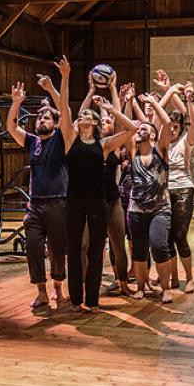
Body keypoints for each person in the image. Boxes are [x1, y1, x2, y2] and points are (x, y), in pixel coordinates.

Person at [59, 56, 137, 313]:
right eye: (80, 115)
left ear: (93, 122)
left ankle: (92, 301)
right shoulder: (70, 139)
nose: (82, 117)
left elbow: (130, 130)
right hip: (74, 202)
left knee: (95, 251)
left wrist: (112, 108)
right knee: (74, 250)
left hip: (97, 201)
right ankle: (75, 300)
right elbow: (63, 108)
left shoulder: (103, 145)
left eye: (87, 116)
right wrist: (66, 77)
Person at [6, 75, 68, 314]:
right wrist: (16, 103)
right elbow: (12, 126)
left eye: (46, 117)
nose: (41, 119)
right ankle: (41, 292)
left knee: (57, 249)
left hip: (58, 203)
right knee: (33, 245)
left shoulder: (61, 138)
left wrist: (51, 88)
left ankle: (58, 287)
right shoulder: (32, 141)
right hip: (35, 205)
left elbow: (64, 111)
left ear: (54, 122)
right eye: (39, 117)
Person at [81, 75, 133, 296]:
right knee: (85, 247)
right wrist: (91, 92)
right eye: (101, 121)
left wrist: (112, 97)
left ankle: (122, 283)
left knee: (119, 247)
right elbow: (79, 117)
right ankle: (84, 286)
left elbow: (124, 124)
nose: (104, 123)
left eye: (107, 121)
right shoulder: (85, 142)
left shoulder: (113, 146)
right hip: (89, 202)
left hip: (112, 201)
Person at [127, 93, 174, 303]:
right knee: (138, 250)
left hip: (160, 210)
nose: (139, 130)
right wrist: (127, 101)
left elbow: (166, 122)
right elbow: (126, 125)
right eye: (138, 129)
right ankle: (140, 287)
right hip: (136, 210)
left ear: (153, 136)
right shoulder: (133, 153)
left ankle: (165, 288)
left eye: (144, 129)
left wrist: (154, 102)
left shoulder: (160, 151)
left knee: (158, 245)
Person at [164, 83, 194, 293]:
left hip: (183, 189)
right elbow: (151, 120)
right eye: (171, 125)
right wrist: (166, 92)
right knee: (167, 238)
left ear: (181, 127)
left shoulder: (186, 141)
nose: (173, 129)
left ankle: (190, 277)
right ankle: (173, 279)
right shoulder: (162, 142)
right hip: (165, 192)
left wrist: (189, 99)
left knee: (179, 236)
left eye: (177, 125)